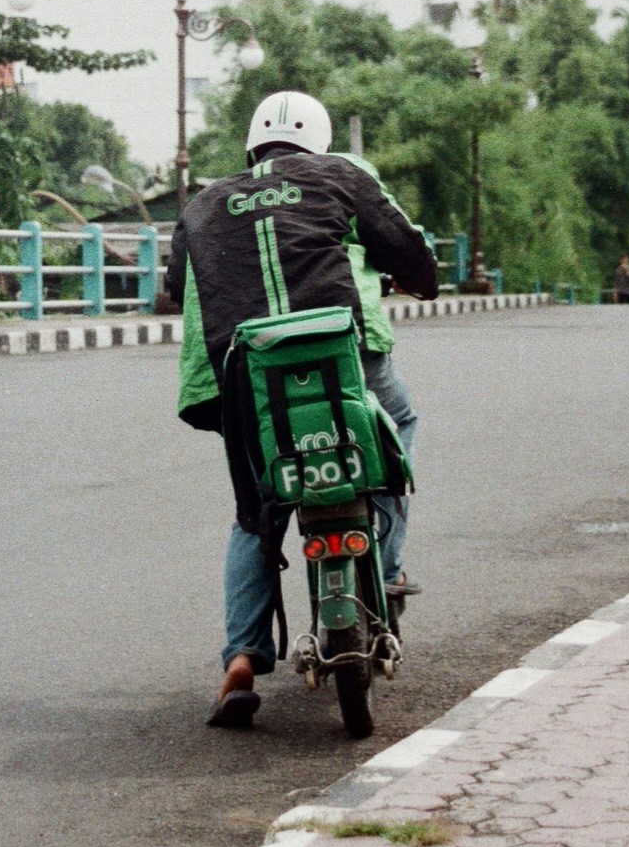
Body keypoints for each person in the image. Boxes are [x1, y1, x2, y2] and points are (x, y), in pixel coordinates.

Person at [162, 89, 438, 727]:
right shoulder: (338, 174)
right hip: (338, 358)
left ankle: (240, 658)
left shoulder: (202, 203)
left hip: (248, 376)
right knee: (391, 436)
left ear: (251, 146)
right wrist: (422, 280)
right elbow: (403, 244)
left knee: (255, 510)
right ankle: (386, 571)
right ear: (318, 141)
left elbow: (177, 288)